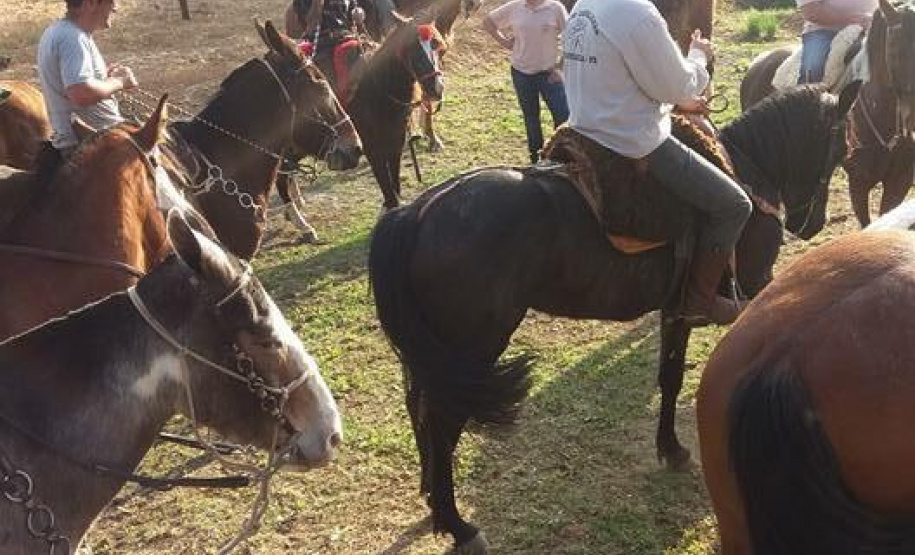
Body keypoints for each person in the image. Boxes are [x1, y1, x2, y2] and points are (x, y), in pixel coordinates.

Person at [562, 0, 752, 325]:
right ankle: (697, 303)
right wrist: (699, 56)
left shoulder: (585, 5)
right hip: (632, 140)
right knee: (734, 205)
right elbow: (678, 84)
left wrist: (678, 100)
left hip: (583, 130)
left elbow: (619, 76)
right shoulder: (637, 14)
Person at [37, 0, 137, 157]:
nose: (116, 6)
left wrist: (104, 78)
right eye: (111, 1)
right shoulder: (73, 38)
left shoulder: (60, 32)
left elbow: (75, 84)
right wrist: (119, 82)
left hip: (90, 140)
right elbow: (81, 93)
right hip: (99, 145)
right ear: (90, 3)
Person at [483, 0, 570, 164]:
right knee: (531, 117)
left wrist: (560, 67)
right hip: (522, 74)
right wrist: (504, 42)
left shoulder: (555, 8)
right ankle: (536, 159)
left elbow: (572, 36)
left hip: (550, 75)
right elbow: (488, 22)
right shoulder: (516, 6)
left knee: (562, 115)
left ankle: (560, 157)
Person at [796, 0, 876, 84]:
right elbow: (810, 11)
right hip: (824, 29)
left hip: (871, 26)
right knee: (814, 67)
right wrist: (851, 18)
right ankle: (806, 94)